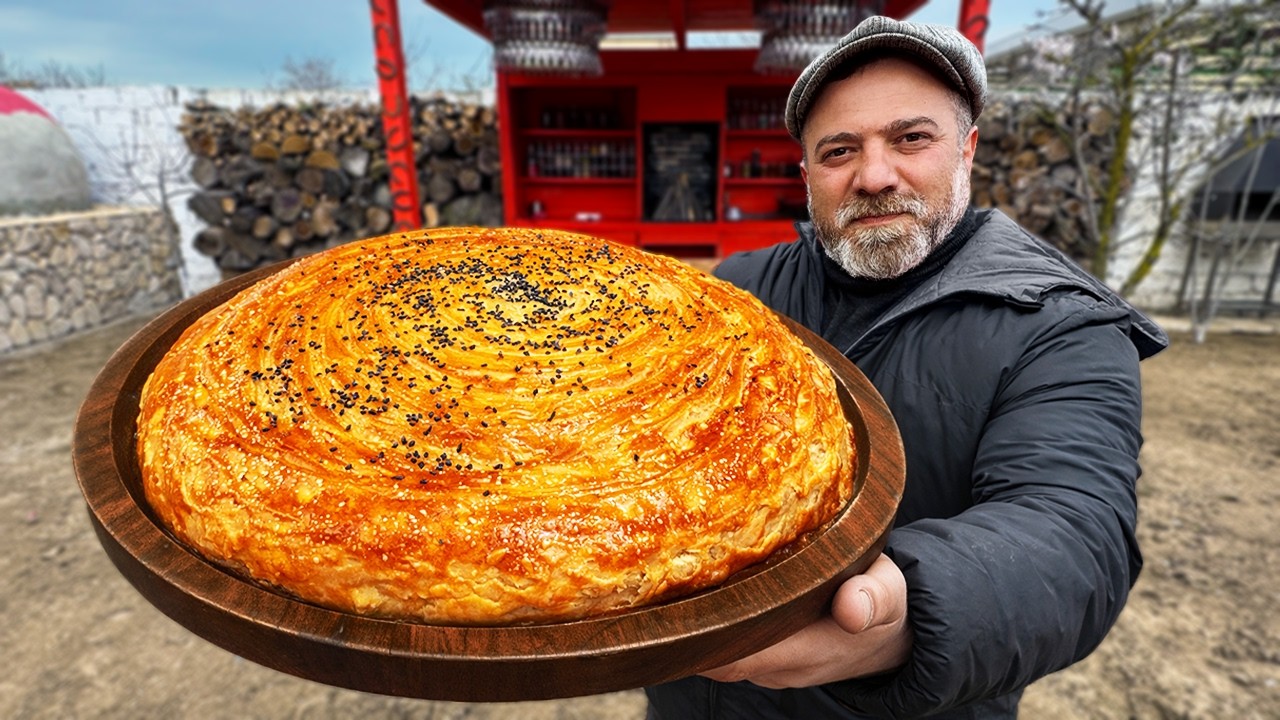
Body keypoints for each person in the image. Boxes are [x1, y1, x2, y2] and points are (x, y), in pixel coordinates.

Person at [644, 15, 1169, 719]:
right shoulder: (740, 295)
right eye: (838, 152)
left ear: (968, 149)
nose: (874, 175)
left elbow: (1076, 536)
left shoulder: (1062, 327)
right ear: (805, 175)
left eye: (910, 138)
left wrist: (912, 608)